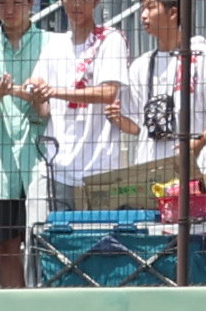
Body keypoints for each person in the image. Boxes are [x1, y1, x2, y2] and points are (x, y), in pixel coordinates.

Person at [111, 0, 206, 196]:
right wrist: (117, 118)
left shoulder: (202, 55)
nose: (144, 15)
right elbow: (138, 126)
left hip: (194, 175)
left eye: (150, 7)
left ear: (173, 13)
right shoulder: (141, 65)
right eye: (142, 9)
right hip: (150, 177)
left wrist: (197, 144)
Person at [33, 0, 131, 209]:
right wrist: (32, 90)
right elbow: (43, 109)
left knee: (102, 240)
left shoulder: (110, 39)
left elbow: (108, 92)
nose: (77, 4)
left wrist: (54, 91)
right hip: (59, 169)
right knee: (61, 240)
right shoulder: (54, 45)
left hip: (101, 170)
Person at [0, 0, 48, 279]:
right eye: (2, 3)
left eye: (17, 2)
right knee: (6, 246)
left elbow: (50, 98)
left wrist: (14, 91)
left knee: (44, 245)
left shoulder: (51, 43)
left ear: (30, 4)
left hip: (41, 160)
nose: (9, 10)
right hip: (0, 163)